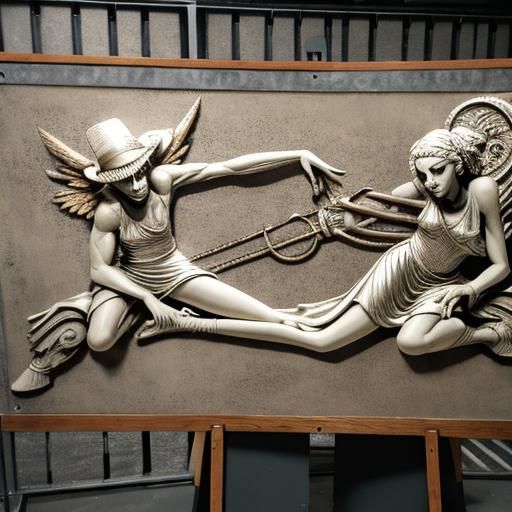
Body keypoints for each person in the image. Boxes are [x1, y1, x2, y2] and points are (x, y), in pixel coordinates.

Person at [159, 125, 512, 357]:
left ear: (458, 164)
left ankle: (491, 335)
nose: (431, 180)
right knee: (320, 338)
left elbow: (501, 265)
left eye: (438, 170)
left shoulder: (482, 191)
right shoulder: (423, 189)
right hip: (399, 272)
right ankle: (192, 323)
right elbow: (378, 209)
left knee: (410, 342)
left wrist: (470, 289)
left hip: (442, 285)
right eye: (423, 173)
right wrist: (337, 219)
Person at [84, 117, 344, 351]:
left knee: (274, 318)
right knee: (98, 341)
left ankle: (182, 322)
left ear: (146, 165)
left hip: (172, 270)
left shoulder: (161, 180)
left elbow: (228, 168)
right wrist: (146, 297)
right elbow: (99, 269)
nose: (137, 185)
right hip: (130, 276)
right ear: (111, 181)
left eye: (139, 173)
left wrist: (298, 154)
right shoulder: (109, 211)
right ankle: (148, 310)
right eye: (125, 179)